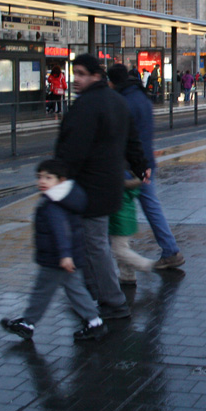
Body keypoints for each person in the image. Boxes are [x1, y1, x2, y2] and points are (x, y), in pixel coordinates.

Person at [54, 54, 148, 321]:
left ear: (96, 75)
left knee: (95, 245)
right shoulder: (117, 101)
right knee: (91, 243)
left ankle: (113, 301)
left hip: (89, 187)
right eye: (75, 73)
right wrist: (141, 166)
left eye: (82, 74)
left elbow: (73, 149)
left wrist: (59, 180)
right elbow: (132, 139)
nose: (76, 79)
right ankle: (96, 293)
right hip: (109, 183)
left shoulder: (85, 105)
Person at [1, 159, 107, 342]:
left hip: (57, 258)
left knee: (42, 291)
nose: (42, 181)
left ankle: (28, 323)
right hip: (67, 256)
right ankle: (94, 322)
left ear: (61, 180)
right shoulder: (67, 196)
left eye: (48, 178)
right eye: (40, 177)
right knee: (75, 290)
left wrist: (65, 255)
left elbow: (61, 230)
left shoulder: (53, 203)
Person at [107, 63, 185, 271]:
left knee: (115, 215)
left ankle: (123, 270)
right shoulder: (141, 96)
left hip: (129, 165)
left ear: (112, 82)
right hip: (146, 162)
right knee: (152, 207)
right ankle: (170, 250)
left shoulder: (122, 101)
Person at [109, 180, 157, 285]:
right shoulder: (130, 183)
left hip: (117, 218)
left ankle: (146, 264)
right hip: (125, 216)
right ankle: (127, 275)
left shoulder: (117, 183)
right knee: (123, 246)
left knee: (119, 249)